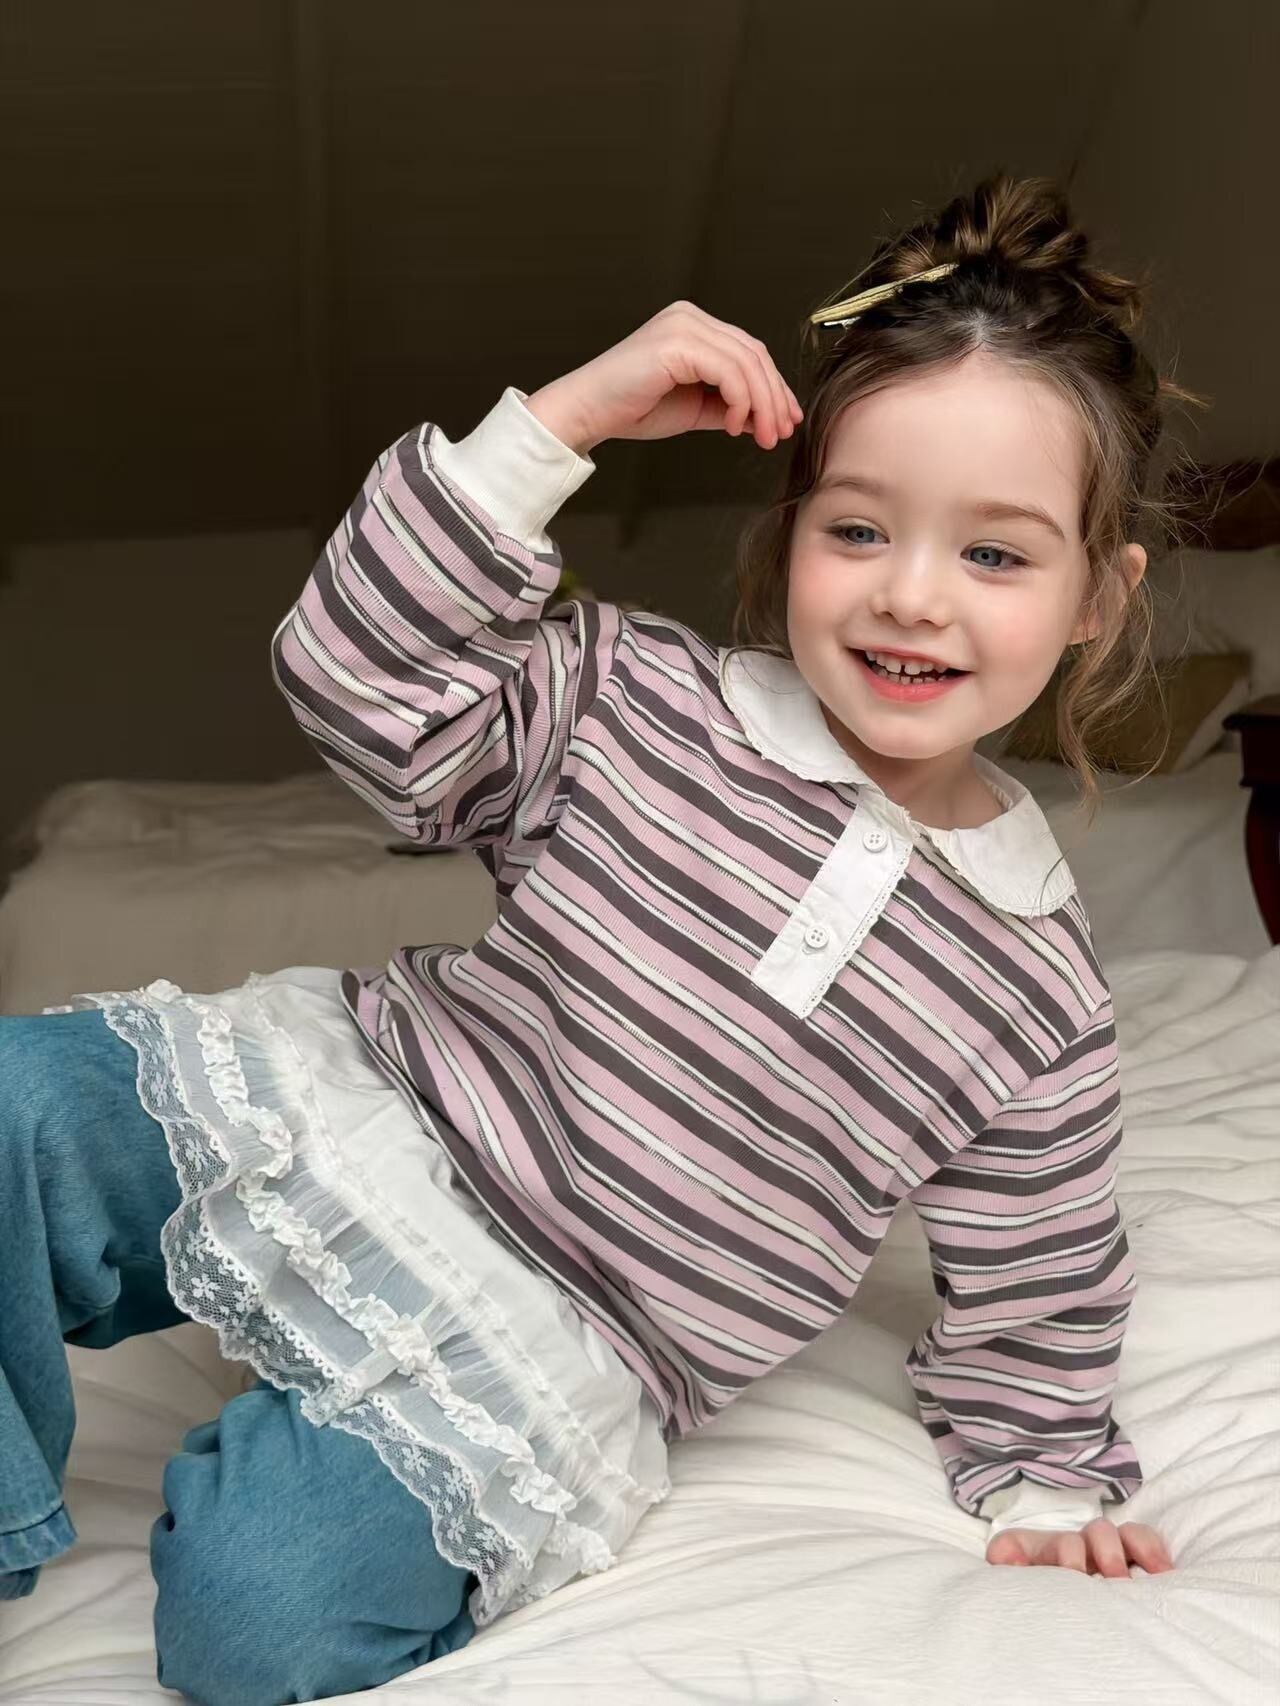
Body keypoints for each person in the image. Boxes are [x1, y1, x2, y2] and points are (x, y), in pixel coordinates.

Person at [1, 172, 1189, 1705]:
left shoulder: (1037, 990)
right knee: (20, 1099)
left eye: (997, 555)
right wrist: (557, 425)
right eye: (858, 527)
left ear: (1101, 595)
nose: (911, 595)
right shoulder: (639, 697)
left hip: (552, 1338)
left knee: (254, 1621)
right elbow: (355, 676)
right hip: (359, 1108)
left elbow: (1043, 1274)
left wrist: (1049, 1481)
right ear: (794, 528)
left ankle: (312, 1424)